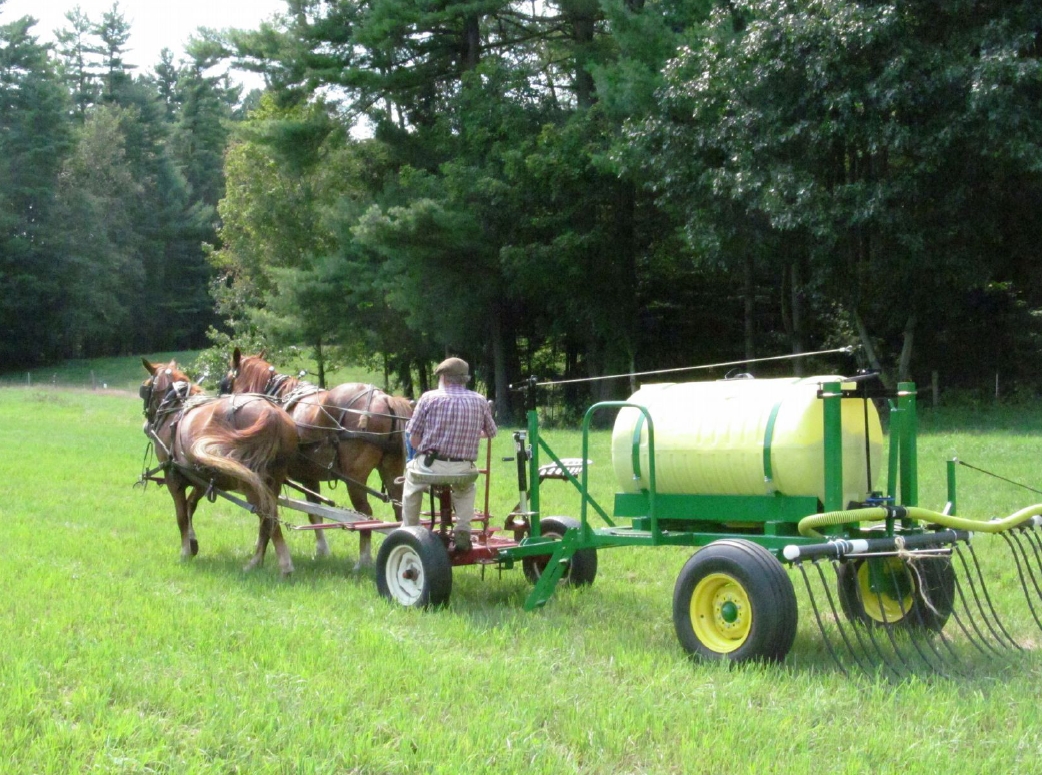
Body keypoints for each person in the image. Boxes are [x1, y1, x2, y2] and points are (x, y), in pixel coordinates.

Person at [402, 357, 497, 551]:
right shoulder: (479, 400)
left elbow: (414, 439)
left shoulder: (428, 398)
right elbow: (491, 432)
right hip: (463, 467)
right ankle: (463, 529)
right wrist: (471, 433)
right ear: (465, 379)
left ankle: (410, 528)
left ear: (444, 377)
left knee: (412, 482)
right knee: (466, 489)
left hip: (431, 465)